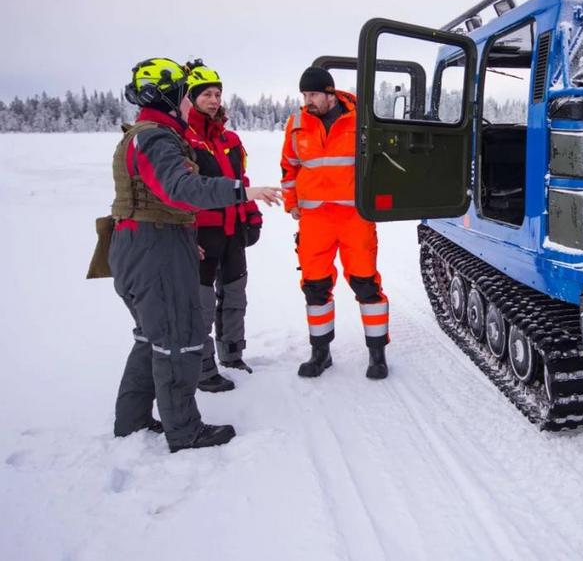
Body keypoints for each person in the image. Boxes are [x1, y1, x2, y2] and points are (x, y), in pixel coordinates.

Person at [110, 57, 281, 452]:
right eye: (186, 94)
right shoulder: (156, 138)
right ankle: (185, 431)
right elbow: (180, 188)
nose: (191, 102)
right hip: (154, 249)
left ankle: (132, 422)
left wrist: (182, 239)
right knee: (178, 339)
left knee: (151, 337)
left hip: (149, 243)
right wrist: (242, 191)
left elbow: (153, 199)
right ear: (169, 95)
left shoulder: (148, 133)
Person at [280, 66, 390, 380]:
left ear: (330, 94)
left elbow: (379, 163)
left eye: (313, 94)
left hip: (355, 217)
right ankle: (320, 353)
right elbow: (289, 167)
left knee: (366, 284)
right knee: (315, 287)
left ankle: (377, 354)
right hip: (315, 220)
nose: (308, 100)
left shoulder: (361, 120)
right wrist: (291, 202)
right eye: (304, 94)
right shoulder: (296, 124)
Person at [182, 61, 262, 393]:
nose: (214, 101)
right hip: (202, 234)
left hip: (233, 231)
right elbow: (179, 192)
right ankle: (202, 368)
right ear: (191, 98)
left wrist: (252, 214)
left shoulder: (230, 139)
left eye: (217, 94)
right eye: (206, 95)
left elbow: (241, 181)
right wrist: (185, 235)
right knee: (199, 305)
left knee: (234, 294)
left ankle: (232, 354)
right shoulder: (182, 139)